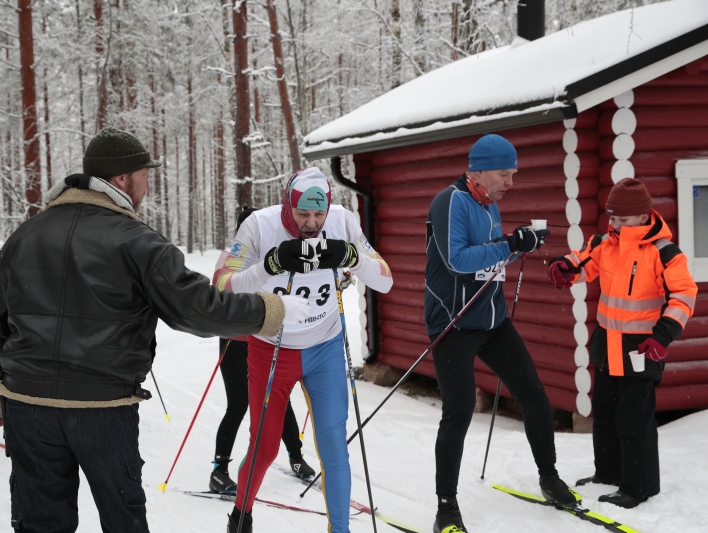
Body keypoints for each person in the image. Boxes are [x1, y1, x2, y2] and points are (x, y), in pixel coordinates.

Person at [0, 126, 309, 533]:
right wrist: (272, 309)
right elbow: (198, 309)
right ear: (120, 179)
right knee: (124, 521)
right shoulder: (138, 242)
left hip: (27, 408)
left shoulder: (26, 234)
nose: (147, 184)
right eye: (144, 175)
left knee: (40, 523)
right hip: (102, 410)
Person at [213, 167, 393, 533]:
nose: (312, 224)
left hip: (324, 348)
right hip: (272, 348)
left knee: (334, 447)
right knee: (265, 448)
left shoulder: (342, 221)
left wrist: (351, 257)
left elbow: (385, 279)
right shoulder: (260, 227)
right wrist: (271, 265)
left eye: (318, 214)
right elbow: (222, 285)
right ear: (287, 205)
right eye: (302, 214)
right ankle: (241, 515)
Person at [424, 134, 577, 533]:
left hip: (493, 320)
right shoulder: (451, 201)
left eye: (514, 174)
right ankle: (446, 507)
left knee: (534, 394)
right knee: (458, 412)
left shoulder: (489, 203)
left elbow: (492, 252)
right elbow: (457, 260)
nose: (510, 182)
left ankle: (549, 477)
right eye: (504, 174)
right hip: (454, 323)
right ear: (478, 169)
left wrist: (519, 243)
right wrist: (509, 243)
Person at [548, 178, 697, 508]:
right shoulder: (606, 241)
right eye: (611, 218)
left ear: (643, 217)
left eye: (621, 219)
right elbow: (584, 260)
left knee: (634, 418)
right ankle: (609, 473)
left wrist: (664, 335)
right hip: (607, 344)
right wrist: (566, 267)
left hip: (642, 347)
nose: (614, 224)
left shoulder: (665, 254)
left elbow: (685, 295)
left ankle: (638, 487)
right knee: (605, 413)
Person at [209, 207, 316, 494]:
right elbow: (220, 291)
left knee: (281, 401)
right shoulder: (230, 257)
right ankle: (219, 470)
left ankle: (296, 456)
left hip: (269, 339)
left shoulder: (275, 255)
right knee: (238, 404)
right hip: (236, 341)